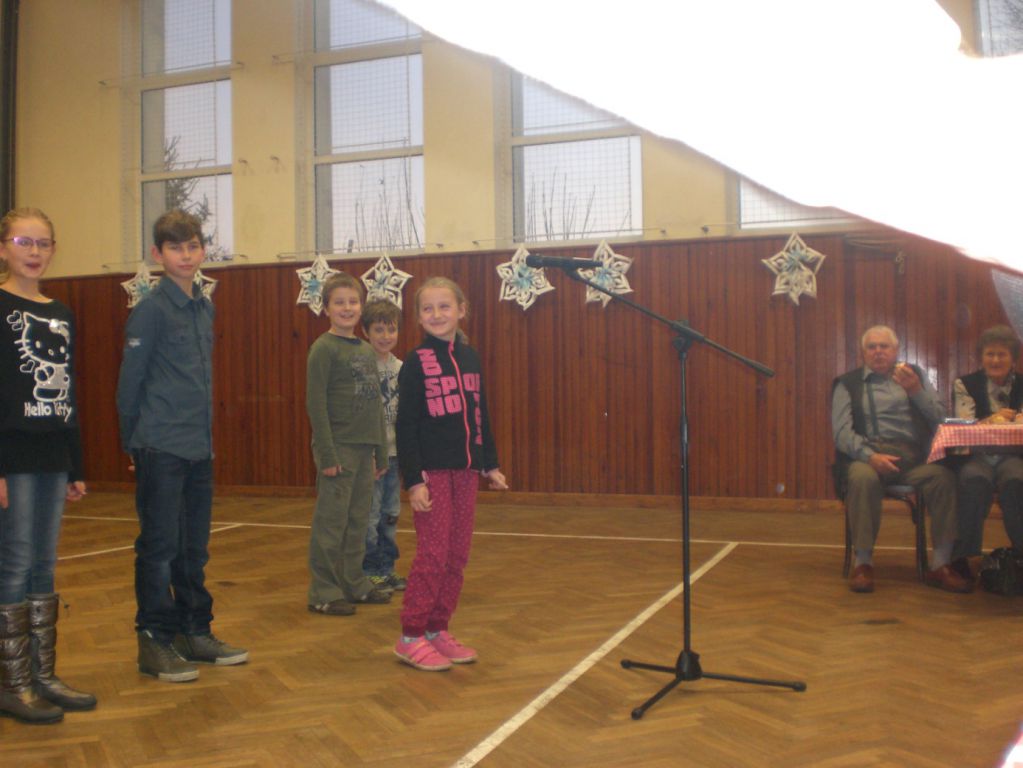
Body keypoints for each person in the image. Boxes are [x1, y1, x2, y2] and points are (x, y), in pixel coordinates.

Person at [117, 209, 248, 683]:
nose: (186, 255)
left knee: (194, 548)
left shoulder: (204, 308)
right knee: (159, 546)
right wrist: (133, 444)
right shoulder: (150, 311)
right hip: (159, 446)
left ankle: (195, 631)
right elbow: (129, 385)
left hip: (198, 448)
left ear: (203, 250)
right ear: (158, 254)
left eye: (193, 246)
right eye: (175, 247)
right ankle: (154, 638)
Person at [0, 208, 93, 723]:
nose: (34, 252)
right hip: (12, 456)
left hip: (53, 456)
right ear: (3, 248)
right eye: (23, 242)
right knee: (14, 562)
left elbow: (68, 392)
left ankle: (42, 674)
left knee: (44, 563)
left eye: (43, 243)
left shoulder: (61, 312)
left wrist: (75, 465)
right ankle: (12, 682)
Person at [393, 277, 508, 672]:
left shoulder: (470, 357)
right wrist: (414, 480)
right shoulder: (416, 362)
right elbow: (405, 426)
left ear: (461, 310)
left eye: (445, 306)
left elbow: (480, 414)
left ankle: (436, 628)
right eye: (428, 309)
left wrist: (489, 463)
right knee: (433, 554)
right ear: (418, 317)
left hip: (466, 472)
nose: (437, 314)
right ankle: (411, 635)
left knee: (457, 555)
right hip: (433, 474)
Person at [832, 324, 969, 593]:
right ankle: (863, 564)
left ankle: (941, 565)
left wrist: (916, 391)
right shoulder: (847, 383)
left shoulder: (913, 376)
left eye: (884, 346)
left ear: (896, 350)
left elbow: (941, 419)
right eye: (872, 347)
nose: (878, 352)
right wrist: (870, 456)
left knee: (943, 478)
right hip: (869, 457)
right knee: (861, 478)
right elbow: (841, 434)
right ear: (863, 352)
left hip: (912, 459)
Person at [306, 273, 392, 616]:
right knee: (332, 523)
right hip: (338, 448)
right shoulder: (323, 349)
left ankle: (354, 582)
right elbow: (316, 404)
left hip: (364, 449)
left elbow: (375, 406)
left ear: (361, 306)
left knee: (358, 521)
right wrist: (327, 453)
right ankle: (323, 591)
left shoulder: (366, 350)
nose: (347, 308)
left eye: (353, 302)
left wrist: (380, 450)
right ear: (326, 307)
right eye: (339, 302)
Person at [950, 325, 1023, 579]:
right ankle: (965, 557)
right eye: (990, 354)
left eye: (1002, 354)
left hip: (1012, 456)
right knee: (974, 481)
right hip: (977, 455)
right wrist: (993, 419)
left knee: (1016, 481)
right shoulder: (964, 384)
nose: (995, 360)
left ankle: (1021, 555)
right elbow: (964, 425)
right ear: (981, 358)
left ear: (1013, 359)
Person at [360, 298, 406, 593]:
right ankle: (369, 570)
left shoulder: (402, 368)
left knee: (390, 514)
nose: (385, 336)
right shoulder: (360, 366)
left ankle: (387, 569)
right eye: (378, 329)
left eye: (391, 329)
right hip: (371, 457)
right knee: (371, 515)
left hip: (395, 455)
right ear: (366, 332)